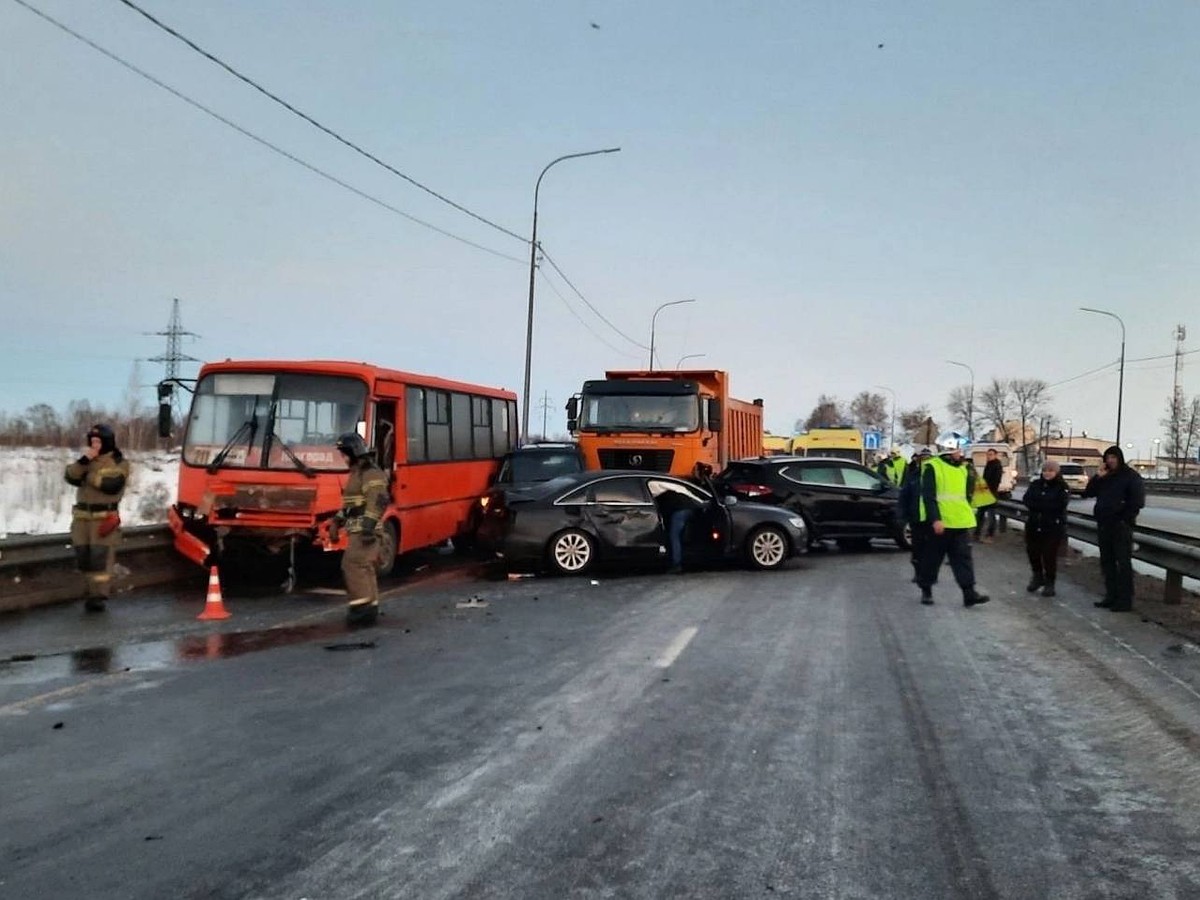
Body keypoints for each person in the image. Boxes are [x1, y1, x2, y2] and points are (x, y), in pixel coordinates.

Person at [916, 432, 990, 608]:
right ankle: (926, 590)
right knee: (932, 559)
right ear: (948, 451)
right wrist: (935, 519)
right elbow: (929, 497)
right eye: (958, 450)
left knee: (963, 560)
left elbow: (966, 495)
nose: (961, 454)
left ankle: (969, 593)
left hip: (960, 523)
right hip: (940, 524)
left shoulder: (964, 469)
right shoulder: (932, 467)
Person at [64, 423, 131, 612]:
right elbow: (70, 476)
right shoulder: (87, 461)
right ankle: (89, 591)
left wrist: (88, 476)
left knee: (100, 559)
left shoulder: (118, 461)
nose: (94, 445)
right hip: (82, 519)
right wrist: (85, 460)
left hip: (104, 519)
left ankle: (98, 596)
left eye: (98, 441)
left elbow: (111, 484)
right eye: (92, 441)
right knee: (84, 557)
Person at [331, 432, 390, 627]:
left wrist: (368, 528)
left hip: (365, 531)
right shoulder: (357, 473)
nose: (343, 458)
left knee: (353, 565)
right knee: (363, 568)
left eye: (344, 454)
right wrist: (337, 521)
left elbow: (378, 500)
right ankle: (369, 608)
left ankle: (361, 610)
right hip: (357, 529)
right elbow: (352, 505)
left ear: (354, 452)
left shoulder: (370, 473)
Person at [1083, 445, 1145, 612]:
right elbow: (1088, 493)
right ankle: (1111, 595)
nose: (1110, 461)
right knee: (1107, 562)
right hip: (1104, 524)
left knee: (1122, 563)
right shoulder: (1105, 476)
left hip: (1121, 526)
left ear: (1120, 458)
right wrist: (1098, 476)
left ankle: (1125, 600)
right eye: (1108, 458)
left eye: (1113, 457)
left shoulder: (1130, 476)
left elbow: (1137, 501)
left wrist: (1124, 518)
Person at [1022, 460, 1071, 596]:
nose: (1047, 473)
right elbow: (1027, 500)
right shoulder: (1036, 484)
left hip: (1052, 527)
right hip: (1034, 524)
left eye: (1050, 471)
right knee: (1033, 552)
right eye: (1045, 471)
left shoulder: (1062, 486)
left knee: (1049, 555)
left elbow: (1060, 504)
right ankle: (1037, 576)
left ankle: (1050, 582)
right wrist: (1041, 505)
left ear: (1056, 472)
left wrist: (1041, 505)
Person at [650, 480, 702, 573]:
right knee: (677, 536)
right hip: (688, 508)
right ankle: (680, 559)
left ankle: (676, 564)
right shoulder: (667, 488)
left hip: (679, 510)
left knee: (674, 536)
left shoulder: (654, 492)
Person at [897, 446, 932, 583]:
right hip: (916, 519)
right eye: (923, 458)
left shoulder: (936, 476)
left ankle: (927, 575)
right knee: (917, 549)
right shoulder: (913, 476)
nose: (925, 461)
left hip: (932, 519)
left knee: (931, 549)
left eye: (928, 458)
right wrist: (902, 514)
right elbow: (904, 496)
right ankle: (918, 573)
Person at [972, 448, 1003, 543]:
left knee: (991, 516)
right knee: (980, 515)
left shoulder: (997, 466)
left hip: (991, 495)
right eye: (988, 454)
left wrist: (987, 488)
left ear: (995, 455)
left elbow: (995, 481)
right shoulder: (988, 465)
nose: (988, 456)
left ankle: (990, 535)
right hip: (985, 494)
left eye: (991, 454)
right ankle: (977, 534)